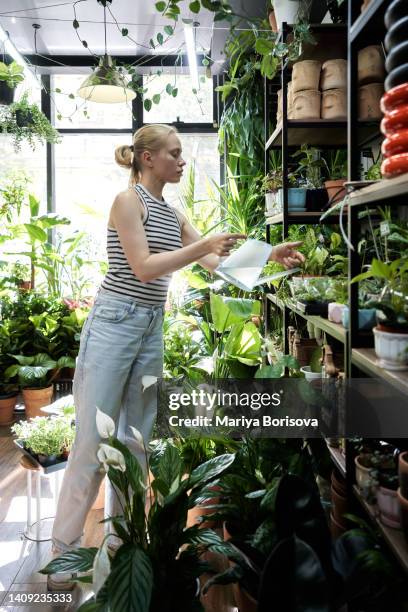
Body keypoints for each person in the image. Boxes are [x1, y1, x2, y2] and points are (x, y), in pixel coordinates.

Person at [48, 123, 304, 590]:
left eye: (182, 153)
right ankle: (62, 554)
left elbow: (217, 262)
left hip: (149, 328)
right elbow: (144, 268)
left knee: (135, 444)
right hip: (113, 325)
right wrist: (201, 245)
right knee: (90, 444)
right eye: (174, 152)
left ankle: (120, 546)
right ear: (147, 158)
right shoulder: (130, 202)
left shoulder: (172, 211)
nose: (182, 160)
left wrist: (270, 255)